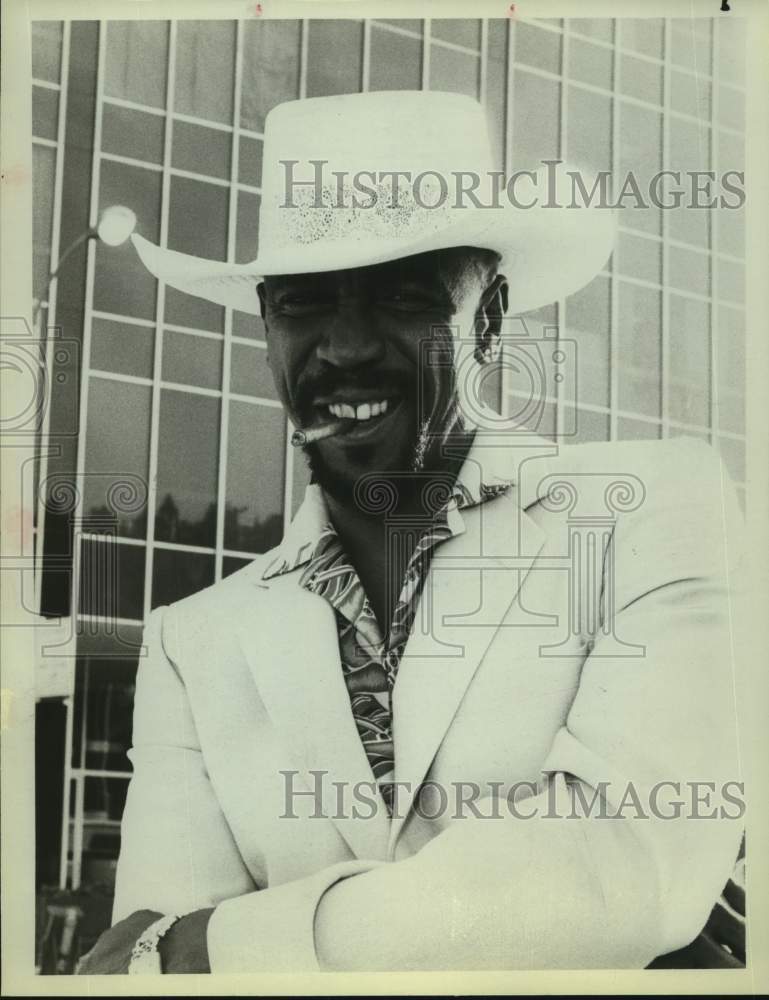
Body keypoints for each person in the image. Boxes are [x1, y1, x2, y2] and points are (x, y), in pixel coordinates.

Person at [78, 91, 745, 974]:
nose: (346, 347)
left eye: (401, 297)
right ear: (268, 327)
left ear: (491, 315)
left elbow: (622, 876)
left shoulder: (651, 508)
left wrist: (209, 944)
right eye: (303, 305)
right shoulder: (192, 643)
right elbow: (143, 972)